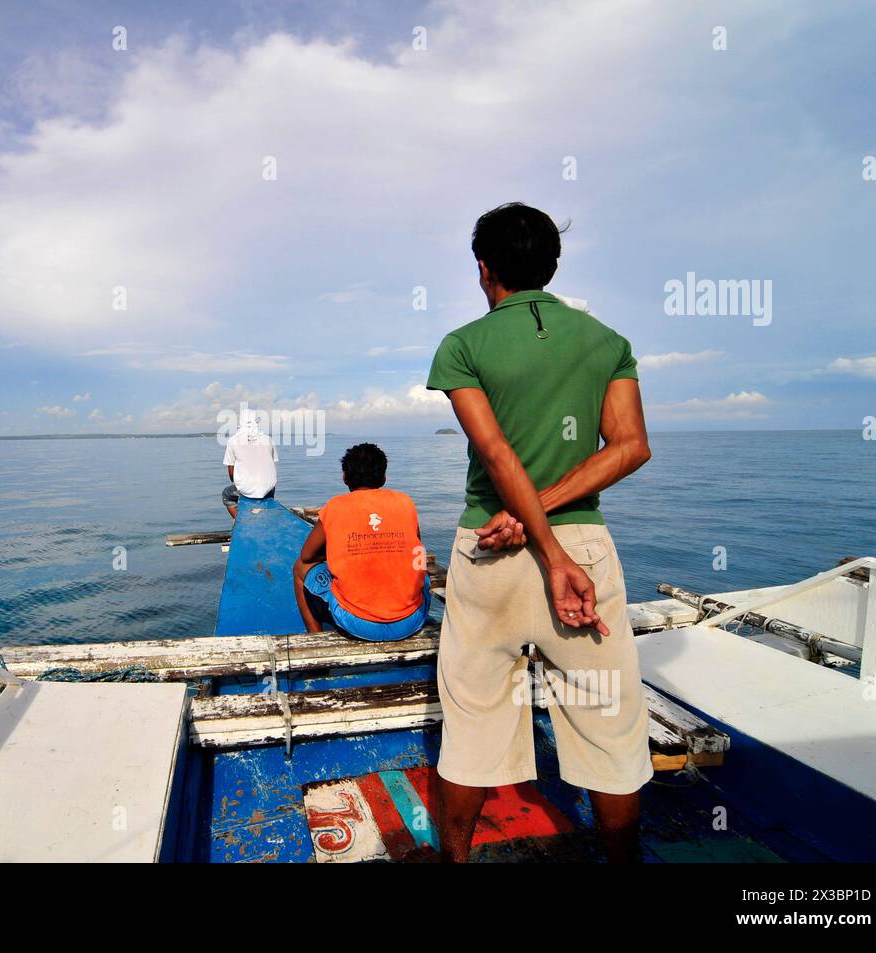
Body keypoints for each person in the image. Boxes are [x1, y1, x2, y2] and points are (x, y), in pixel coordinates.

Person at [426, 202, 653, 863]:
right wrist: (552, 529)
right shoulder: (606, 341)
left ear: (483, 269)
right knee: (610, 725)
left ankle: (456, 860)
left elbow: (496, 453)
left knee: (470, 724)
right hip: (582, 552)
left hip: (492, 552)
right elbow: (631, 445)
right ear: (551, 266)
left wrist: (531, 530)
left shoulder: (463, 345)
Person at [292, 443, 431, 642]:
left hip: (359, 624)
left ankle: (315, 638)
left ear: (345, 477)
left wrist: (340, 551)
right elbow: (415, 549)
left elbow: (307, 556)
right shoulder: (405, 502)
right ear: (383, 477)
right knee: (421, 569)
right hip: (411, 620)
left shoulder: (335, 507)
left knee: (299, 568)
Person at [222, 414, 277, 518]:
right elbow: (272, 466)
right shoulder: (269, 440)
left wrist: (243, 482)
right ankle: (267, 514)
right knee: (269, 489)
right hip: (268, 489)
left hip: (245, 489)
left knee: (226, 495)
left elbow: (231, 474)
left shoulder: (233, 441)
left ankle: (240, 520)